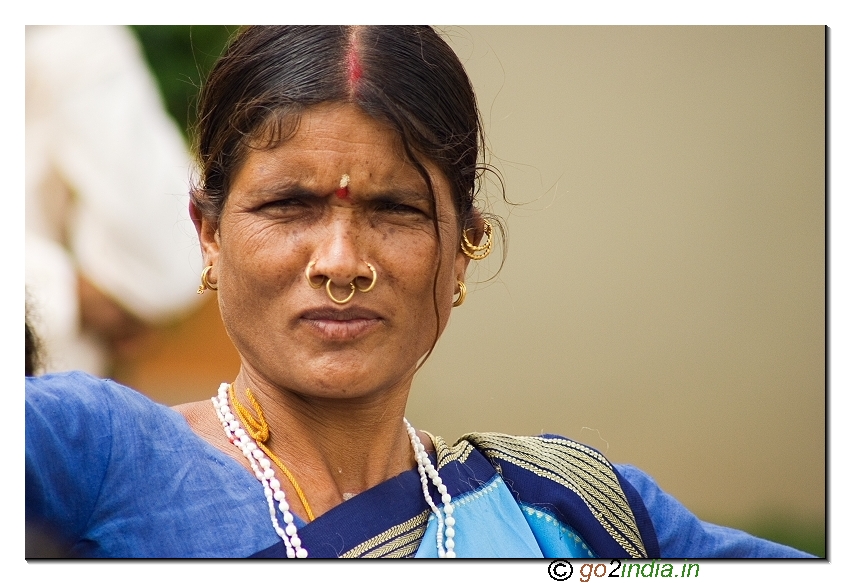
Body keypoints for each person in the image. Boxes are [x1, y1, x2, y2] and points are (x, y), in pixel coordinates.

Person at [25, 25, 813, 559]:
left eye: (396, 210)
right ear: (208, 232)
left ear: (464, 245)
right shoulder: (97, 452)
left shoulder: (565, 512)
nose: (341, 262)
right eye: (289, 205)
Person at [25, 25, 202, 376]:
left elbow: (174, 261)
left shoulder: (66, 44)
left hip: (54, 414)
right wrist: (65, 293)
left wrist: (66, 34)